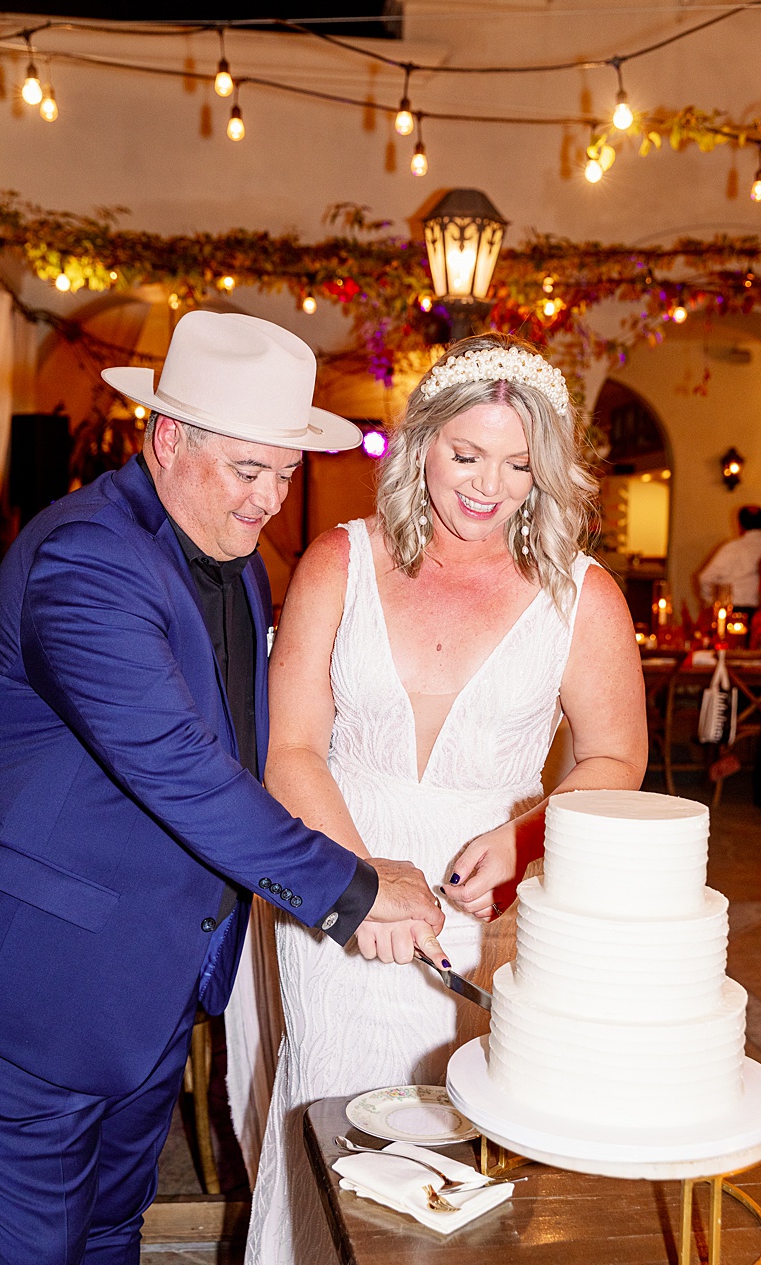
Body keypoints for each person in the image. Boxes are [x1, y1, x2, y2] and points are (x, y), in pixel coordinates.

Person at [0, 311, 446, 1265]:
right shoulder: (84, 559)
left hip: (159, 984)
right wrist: (352, 891)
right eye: (249, 470)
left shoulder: (233, 565)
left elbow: (251, 748)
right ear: (165, 436)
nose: (272, 500)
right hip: (51, 988)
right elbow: (181, 769)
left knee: (116, 1229)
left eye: (285, 473)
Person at [241, 333, 647, 1264]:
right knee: (332, 1135)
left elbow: (618, 756)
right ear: (421, 440)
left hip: (485, 914)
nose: (487, 485)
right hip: (334, 885)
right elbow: (292, 747)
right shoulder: (338, 561)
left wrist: (525, 836)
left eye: (517, 463)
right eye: (465, 454)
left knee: (463, 1155)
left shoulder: (583, 597)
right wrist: (360, 885)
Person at [696, 505, 761, 613]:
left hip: (734, 610)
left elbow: (705, 578)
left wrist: (712, 602)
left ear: (740, 525)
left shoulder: (732, 548)